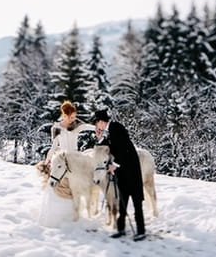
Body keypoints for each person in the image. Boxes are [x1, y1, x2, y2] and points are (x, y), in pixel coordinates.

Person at [37, 101, 95, 227]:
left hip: (74, 160)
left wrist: (100, 128)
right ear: (65, 115)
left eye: (75, 116)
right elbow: (53, 147)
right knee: (57, 185)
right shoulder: (56, 128)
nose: (74, 119)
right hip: (61, 161)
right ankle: (57, 216)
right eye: (72, 117)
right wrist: (48, 159)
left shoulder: (76, 125)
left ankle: (78, 214)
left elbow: (89, 127)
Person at [92, 109, 146, 242]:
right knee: (123, 199)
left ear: (101, 122)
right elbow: (111, 146)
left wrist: (114, 165)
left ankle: (141, 231)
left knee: (136, 201)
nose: (96, 127)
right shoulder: (110, 132)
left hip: (131, 170)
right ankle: (121, 228)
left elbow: (124, 149)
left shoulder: (116, 128)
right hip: (123, 171)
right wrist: (100, 139)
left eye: (96, 123)